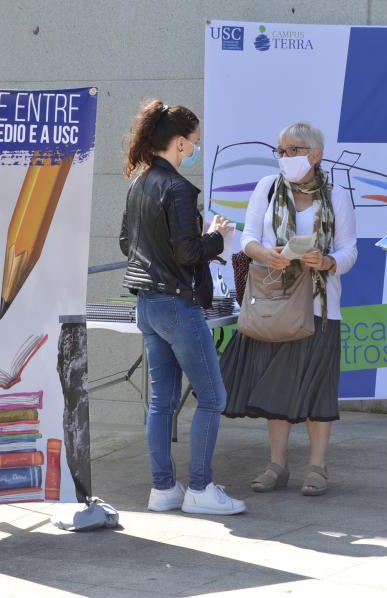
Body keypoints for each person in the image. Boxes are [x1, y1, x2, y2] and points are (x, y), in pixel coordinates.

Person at [119, 99, 245, 516]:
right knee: (212, 397)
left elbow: (127, 244)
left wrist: (195, 242)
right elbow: (188, 251)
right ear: (177, 142)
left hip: (147, 303)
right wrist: (217, 239)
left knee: (161, 402)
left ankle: (163, 489)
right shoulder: (177, 188)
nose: (194, 149)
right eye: (193, 142)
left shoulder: (138, 182)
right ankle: (201, 488)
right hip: (177, 305)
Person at [220, 122, 357, 496]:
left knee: (317, 388)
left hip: (319, 304)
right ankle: (277, 464)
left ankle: (317, 466)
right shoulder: (266, 188)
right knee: (275, 389)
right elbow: (247, 237)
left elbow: (349, 251)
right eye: (279, 150)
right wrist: (265, 253)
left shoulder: (337, 196)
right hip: (274, 302)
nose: (284, 157)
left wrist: (328, 262)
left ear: (315, 154)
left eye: (292, 150)